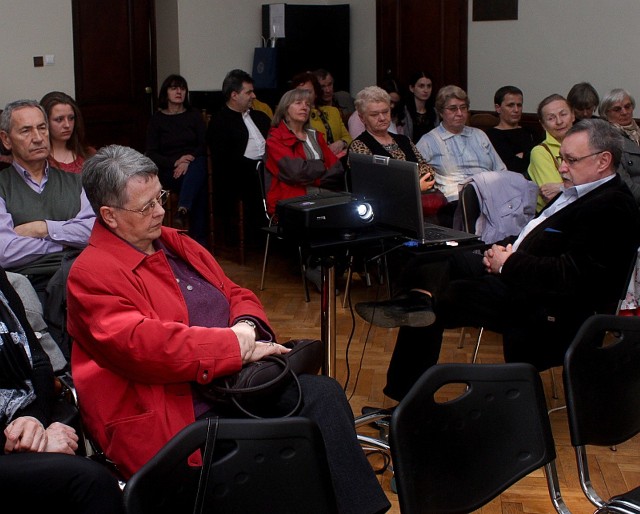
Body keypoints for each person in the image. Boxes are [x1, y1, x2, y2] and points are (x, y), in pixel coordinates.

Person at [65, 145, 391, 514]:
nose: (160, 211)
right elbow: (147, 347)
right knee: (289, 441)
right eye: (146, 207)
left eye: (160, 197)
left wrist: (247, 325)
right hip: (179, 407)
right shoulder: (92, 273)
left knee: (323, 395)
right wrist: (235, 346)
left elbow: (235, 292)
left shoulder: (175, 243)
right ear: (108, 216)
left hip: (231, 383)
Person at [355, 118, 640, 402]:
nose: (562, 167)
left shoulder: (612, 205)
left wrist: (507, 263)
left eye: (571, 160)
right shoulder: (580, 189)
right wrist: (499, 249)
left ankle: (407, 399)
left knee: (439, 300)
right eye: (560, 158)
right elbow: (537, 236)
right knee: (434, 254)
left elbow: (571, 275)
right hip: (519, 272)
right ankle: (417, 301)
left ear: (603, 161)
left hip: (549, 306)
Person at [0, 267, 124, 513]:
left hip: (25, 425)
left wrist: (33, 420)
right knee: (90, 481)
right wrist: (26, 442)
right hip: (8, 443)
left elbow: (40, 362)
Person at [0, 99, 95, 299]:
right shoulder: (2, 186)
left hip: (81, 276)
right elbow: (5, 251)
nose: (38, 138)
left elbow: (93, 233)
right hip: (29, 284)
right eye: (26, 131)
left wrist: (42, 229)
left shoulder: (77, 182)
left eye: (42, 128)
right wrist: (68, 240)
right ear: (6, 140)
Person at [416, 85, 506, 226]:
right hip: (456, 202)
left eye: (463, 108)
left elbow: (501, 170)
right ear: (441, 112)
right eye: (453, 109)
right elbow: (416, 176)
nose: (460, 113)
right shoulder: (428, 141)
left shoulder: (479, 135)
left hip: (490, 196)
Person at [206, 69, 271, 244]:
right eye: (249, 92)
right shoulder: (220, 122)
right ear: (234, 95)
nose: (254, 96)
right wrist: (258, 167)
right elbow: (224, 161)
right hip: (239, 177)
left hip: (268, 169)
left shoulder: (261, 117)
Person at [145, 74, 208, 244]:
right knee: (200, 185)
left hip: (192, 166)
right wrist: (176, 162)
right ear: (166, 93)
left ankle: (183, 209)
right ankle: (199, 243)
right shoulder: (157, 120)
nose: (179, 92)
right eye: (174, 88)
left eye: (182, 88)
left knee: (199, 167)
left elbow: (203, 144)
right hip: (169, 172)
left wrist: (188, 159)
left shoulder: (194, 115)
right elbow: (151, 153)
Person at [265, 88, 345, 215]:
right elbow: (295, 172)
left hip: (325, 197)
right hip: (292, 202)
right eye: (298, 103)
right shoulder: (275, 139)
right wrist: (321, 165)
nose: (305, 107)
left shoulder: (315, 136)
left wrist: (310, 173)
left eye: (308, 104)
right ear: (285, 109)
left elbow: (337, 169)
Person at [348, 86, 436, 192]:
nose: (382, 118)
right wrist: (414, 187)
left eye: (385, 112)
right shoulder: (359, 145)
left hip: (418, 201)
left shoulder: (404, 140)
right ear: (362, 118)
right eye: (374, 114)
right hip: (383, 206)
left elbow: (427, 171)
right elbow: (373, 185)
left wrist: (402, 183)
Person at [528, 94, 575, 212]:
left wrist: (561, 187)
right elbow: (553, 197)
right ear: (543, 125)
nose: (559, 121)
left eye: (563, 114)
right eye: (551, 118)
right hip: (557, 217)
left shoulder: (587, 145)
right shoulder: (540, 152)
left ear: (573, 115)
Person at [291, 72, 352, 158]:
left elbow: (349, 138)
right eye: (300, 93)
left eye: (308, 92)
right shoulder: (295, 116)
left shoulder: (333, 111)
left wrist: (342, 143)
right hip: (314, 164)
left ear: (316, 93)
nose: (304, 96)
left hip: (339, 162)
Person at [486, 85, 538, 178]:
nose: (516, 110)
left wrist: (523, 156)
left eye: (519, 105)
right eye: (510, 105)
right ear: (498, 108)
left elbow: (540, 160)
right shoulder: (492, 135)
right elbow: (512, 167)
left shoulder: (531, 131)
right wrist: (529, 154)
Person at [39, 91, 96, 174]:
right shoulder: (38, 157)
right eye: (59, 119)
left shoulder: (89, 154)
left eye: (71, 118)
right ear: (45, 121)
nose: (67, 125)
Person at [600, 88, 640, 205]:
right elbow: (626, 188)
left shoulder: (637, 133)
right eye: (617, 109)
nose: (624, 112)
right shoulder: (608, 141)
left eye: (628, 106)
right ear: (606, 114)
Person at [404, 71, 438, 143]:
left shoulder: (434, 111)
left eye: (429, 86)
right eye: (421, 86)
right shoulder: (404, 111)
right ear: (411, 88)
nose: (426, 90)